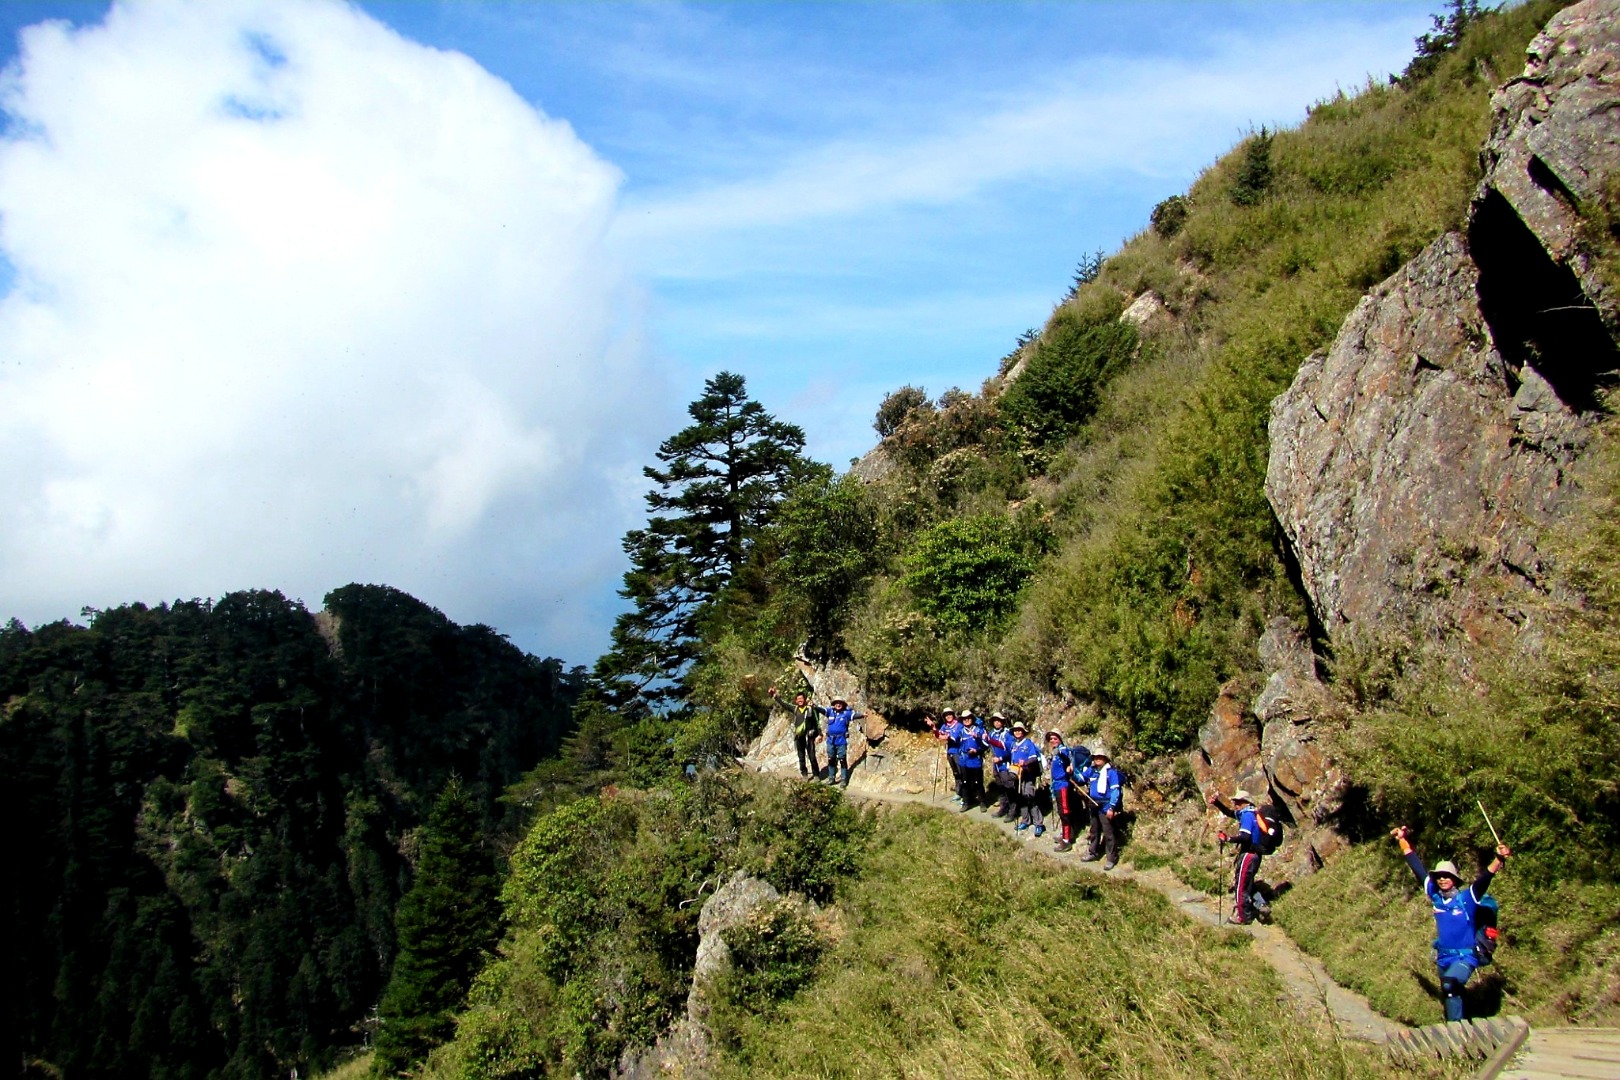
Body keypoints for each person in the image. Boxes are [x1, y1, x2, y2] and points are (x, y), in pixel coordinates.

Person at [1392, 824, 1511, 1022]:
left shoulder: (1467, 898)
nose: (1442, 879)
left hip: (1465, 956)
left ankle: (1456, 1033)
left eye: (1447, 876)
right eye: (1439, 876)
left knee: (1450, 985)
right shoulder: (1435, 896)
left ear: (1455, 879)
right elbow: (1417, 867)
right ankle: (1461, 1023)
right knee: (1449, 992)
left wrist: (1498, 860)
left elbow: (1484, 880)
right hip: (1443, 956)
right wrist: (1402, 840)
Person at [1207, 786, 1266, 924]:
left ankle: (1242, 917)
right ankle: (1260, 906)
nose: (1236, 804)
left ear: (1247, 802)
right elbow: (1229, 812)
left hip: (1248, 854)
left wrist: (1228, 839)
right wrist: (1217, 803)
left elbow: (1245, 837)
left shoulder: (1246, 815)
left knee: (1240, 886)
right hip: (1255, 854)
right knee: (1247, 883)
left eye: (1239, 802)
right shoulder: (1250, 813)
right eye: (1235, 802)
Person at [1081, 746, 1122, 870]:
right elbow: (1081, 778)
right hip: (1093, 804)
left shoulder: (1111, 773)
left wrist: (1111, 807)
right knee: (1094, 830)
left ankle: (1111, 859)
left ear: (1105, 759)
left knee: (1108, 832)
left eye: (1100, 757)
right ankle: (1093, 852)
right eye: (1095, 757)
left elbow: (1115, 791)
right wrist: (1071, 773)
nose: (1097, 759)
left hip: (1105, 805)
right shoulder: (1092, 770)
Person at [767, 686, 821, 779]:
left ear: (805, 700)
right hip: (799, 737)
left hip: (809, 736)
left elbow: (816, 722)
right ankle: (804, 774)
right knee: (801, 757)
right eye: (798, 699)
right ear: (796, 701)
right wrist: (775, 696)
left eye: (802, 699)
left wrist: (819, 734)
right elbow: (784, 704)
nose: (800, 700)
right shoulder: (795, 709)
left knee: (812, 756)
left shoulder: (810, 709)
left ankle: (816, 775)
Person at [1045, 731, 1086, 852]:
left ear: (1060, 738)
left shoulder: (1063, 749)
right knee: (1062, 811)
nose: (1053, 740)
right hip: (1057, 784)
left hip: (1062, 784)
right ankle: (1066, 834)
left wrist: (1060, 753)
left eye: (1055, 738)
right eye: (1051, 739)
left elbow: (1066, 756)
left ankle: (1067, 840)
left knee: (1064, 812)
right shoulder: (1055, 752)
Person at [1009, 722, 1044, 836]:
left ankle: (1038, 824)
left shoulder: (1028, 744)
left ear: (1023, 731)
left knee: (1029, 797)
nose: (1017, 732)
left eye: (1019, 730)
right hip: (1017, 775)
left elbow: (1033, 758)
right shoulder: (1014, 745)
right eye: (1015, 730)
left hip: (1028, 775)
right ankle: (1025, 820)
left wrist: (1025, 763)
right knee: (1021, 798)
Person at [821, 697, 865, 786]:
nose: (838, 704)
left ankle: (844, 779)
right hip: (830, 740)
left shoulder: (846, 714)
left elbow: (855, 715)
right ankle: (831, 778)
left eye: (840, 703)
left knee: (842, 759)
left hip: (841, 740)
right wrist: (814, 707)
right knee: (831, 759)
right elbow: (822, 710)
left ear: (843, 704)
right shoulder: (830, 712)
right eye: (836, 703)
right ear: (834, 704)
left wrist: (863, 715)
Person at [985, 713, 1016, 819]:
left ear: (1002, 722)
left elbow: (1011, 749)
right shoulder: (992, 733)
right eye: (995, 720)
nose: (997, 722)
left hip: (1005, 765)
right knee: (1000, 788)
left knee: (1009, 788)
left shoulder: (1008, 734)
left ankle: (1012, 811)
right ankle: (1003, 808)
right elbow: (986, 743)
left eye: (999, 720)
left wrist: (1001, 758)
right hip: (996, 766)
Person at [955, 714, 987, 811]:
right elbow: (957, 743)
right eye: (964, 719)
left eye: (968, 718)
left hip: (975, 760)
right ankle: (966, 802)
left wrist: (977, 741)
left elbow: (985, 745)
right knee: (965, 782)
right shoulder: (961, 731)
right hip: (964, 760)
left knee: (978, 782)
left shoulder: (979, 730)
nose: (967, 720)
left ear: (972, 719)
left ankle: (982, 802)